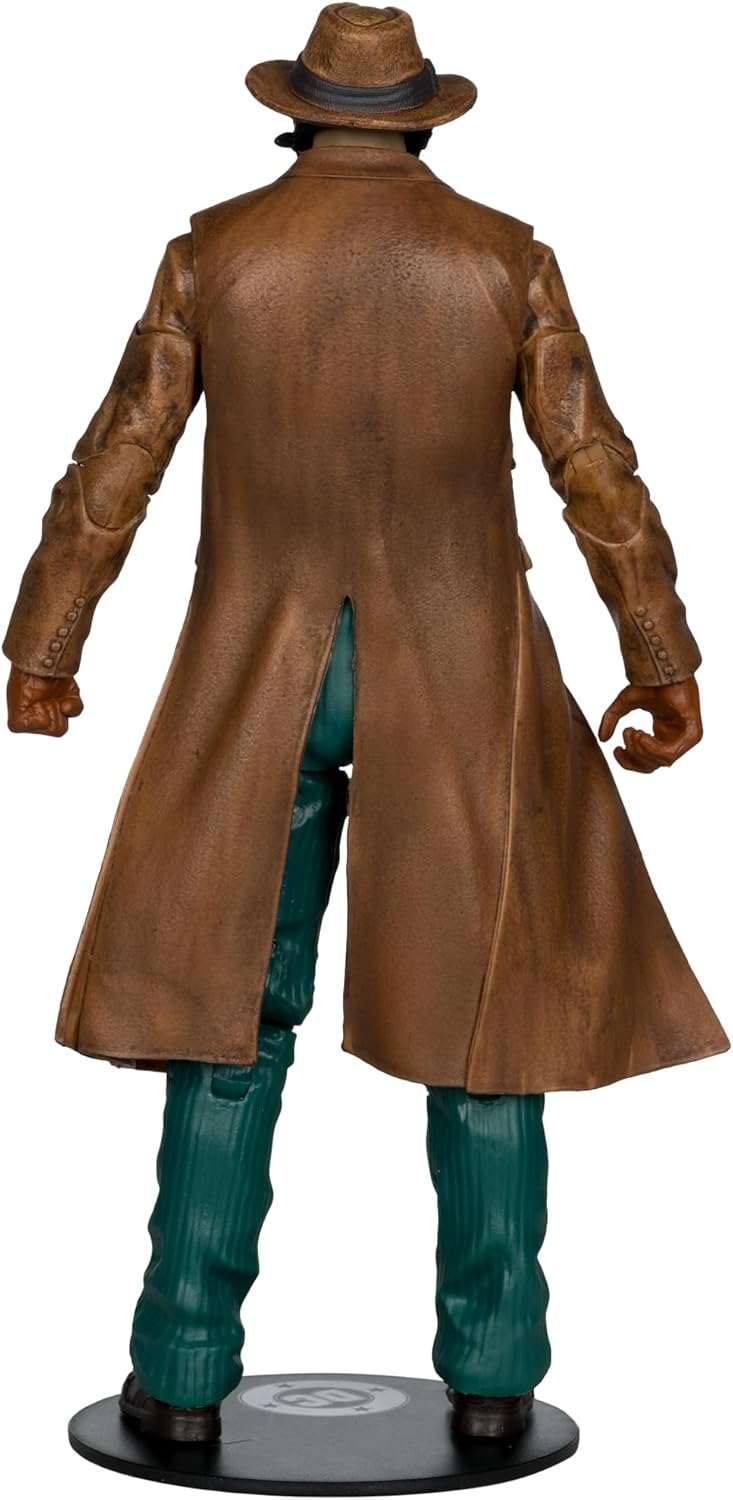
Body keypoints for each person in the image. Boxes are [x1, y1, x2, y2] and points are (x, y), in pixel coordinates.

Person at [4, 3, 728, 1447]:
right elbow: (595, 471)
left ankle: (182, 1377)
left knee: (226, 1017)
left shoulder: (213, 253)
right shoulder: (504, 258)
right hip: (461, 678)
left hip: (256, 673)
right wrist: (658, 654)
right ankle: (496, 1379)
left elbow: (116, 462)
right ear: (422, 118)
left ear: (297, 113)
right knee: (489, 1023)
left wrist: (44, 645)